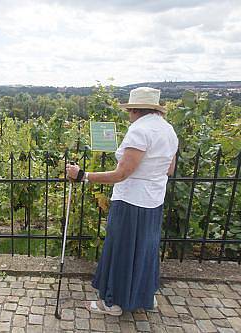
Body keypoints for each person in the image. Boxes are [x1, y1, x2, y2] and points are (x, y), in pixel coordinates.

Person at [66, 87, 178, 316]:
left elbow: (121, 174)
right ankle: (143, 296)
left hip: (131, 202)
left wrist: (83, 175)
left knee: (122, 250)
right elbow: (170, 169)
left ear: (135, 109)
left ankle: (113, 303)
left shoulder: (139, 130)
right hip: (154, 201)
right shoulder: (168, 130)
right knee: (145, 250)